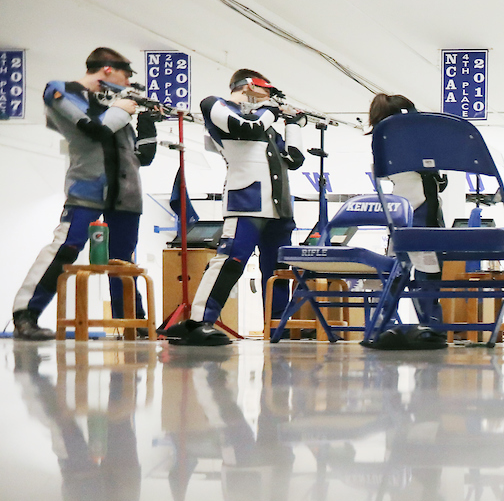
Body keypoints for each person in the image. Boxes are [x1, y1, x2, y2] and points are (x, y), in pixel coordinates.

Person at [12, 47, 158, 340]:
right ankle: (25, 314)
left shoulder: (112, 106)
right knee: (66, 248)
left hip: (127, 193)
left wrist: (147, 123)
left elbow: (141, 157)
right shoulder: (62, 90)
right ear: (107, 69)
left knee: (123, 261)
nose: (127, 81)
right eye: (125, 74)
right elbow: (93, 129)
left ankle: (133, 322)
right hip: (88, 188)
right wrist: (121, 108)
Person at [165, 70, 304, 346]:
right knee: (230, 261)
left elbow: (294, 158)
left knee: (276, 270)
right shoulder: (216, 104)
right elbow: (245, 127)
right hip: (246, 201)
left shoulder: (266, 122)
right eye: (268, 94)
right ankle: (200, 320)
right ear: (250, 87)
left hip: (279, 207)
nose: (271, 100)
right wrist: (272, 111)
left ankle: (277, 324)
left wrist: (295, 124)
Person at [367, 93, 447, 329]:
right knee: (426, 276)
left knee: (395, 273)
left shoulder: (382, 141)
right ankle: (431, 327)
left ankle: (383, 324)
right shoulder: (414, 139)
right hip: (423, 212)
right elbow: (437, 181)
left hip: (399, 211)